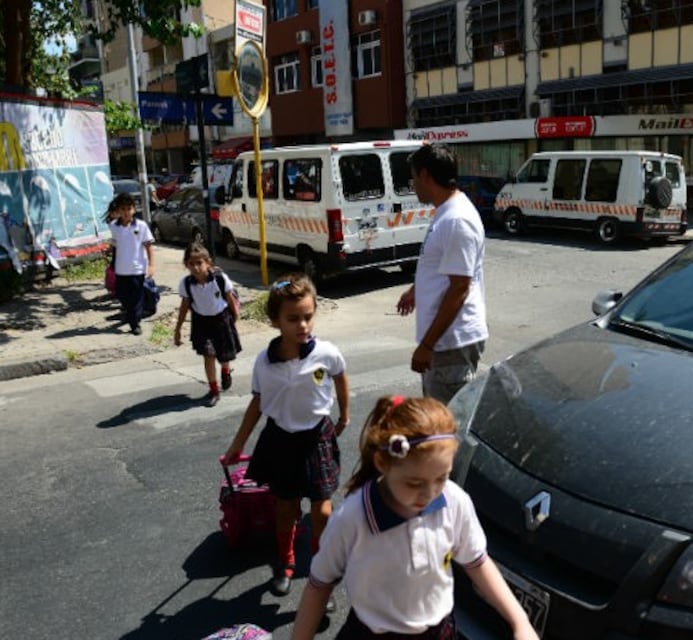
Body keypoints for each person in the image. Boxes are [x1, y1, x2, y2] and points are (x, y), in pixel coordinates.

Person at [291, 395, 538, 640]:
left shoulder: (454, 502)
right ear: (382, 463)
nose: (429, 494)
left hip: (439, 632)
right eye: (414, 483)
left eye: (442, 477)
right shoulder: (353, 518)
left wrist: (520, 621)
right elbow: (319, 585)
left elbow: (477, 562)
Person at [223, 273, 349, 600]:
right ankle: (286, 562)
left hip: (317, 436)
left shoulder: (326, 352)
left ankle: (321, 573)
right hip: (281, 440)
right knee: (286, 509)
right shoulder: (265, 363)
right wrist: (238, 445)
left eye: (308, 316)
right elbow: (258, 403)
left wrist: (344, 415)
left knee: (322, 510)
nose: (303, 325)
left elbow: (340, 377)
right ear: (275, 321)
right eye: (293, 319)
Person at [396, 144, 488, 404]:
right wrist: (416, 291)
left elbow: (460, 287)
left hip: (450, 344)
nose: (413, 185)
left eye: (414, 178)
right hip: (445, 342)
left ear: (425, 175)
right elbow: (444, 269)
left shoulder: (457, 219)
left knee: (446, 429)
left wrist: (427, 345)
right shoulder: (446, 212)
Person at [173, 242, 242, 407]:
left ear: (208, 263)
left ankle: (225, 370)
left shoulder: (219, 279)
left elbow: (230, 299)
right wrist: (178, 328)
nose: (196, 267)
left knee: (224, 353)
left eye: (199, 263)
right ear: (186, 265)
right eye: (191, 263)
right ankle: (214, 390)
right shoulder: (187, 284)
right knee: (208, 354)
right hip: (202, 322)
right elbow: (184, 306)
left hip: (222, 318)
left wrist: (235, 317)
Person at [107, 192, 154, 335]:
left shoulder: (141, 226)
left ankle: (135, 323)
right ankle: (130, 315)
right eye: (123, 209)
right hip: (121, 270)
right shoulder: (114, 226)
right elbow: (114, 246)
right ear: (118, 211)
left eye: (129, 209)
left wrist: (151, 265)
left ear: (134, 209)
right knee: (122, 295)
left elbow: (148, 246)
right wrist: (111, 260)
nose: (126, 212)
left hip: (137, 269)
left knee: (136, 297)